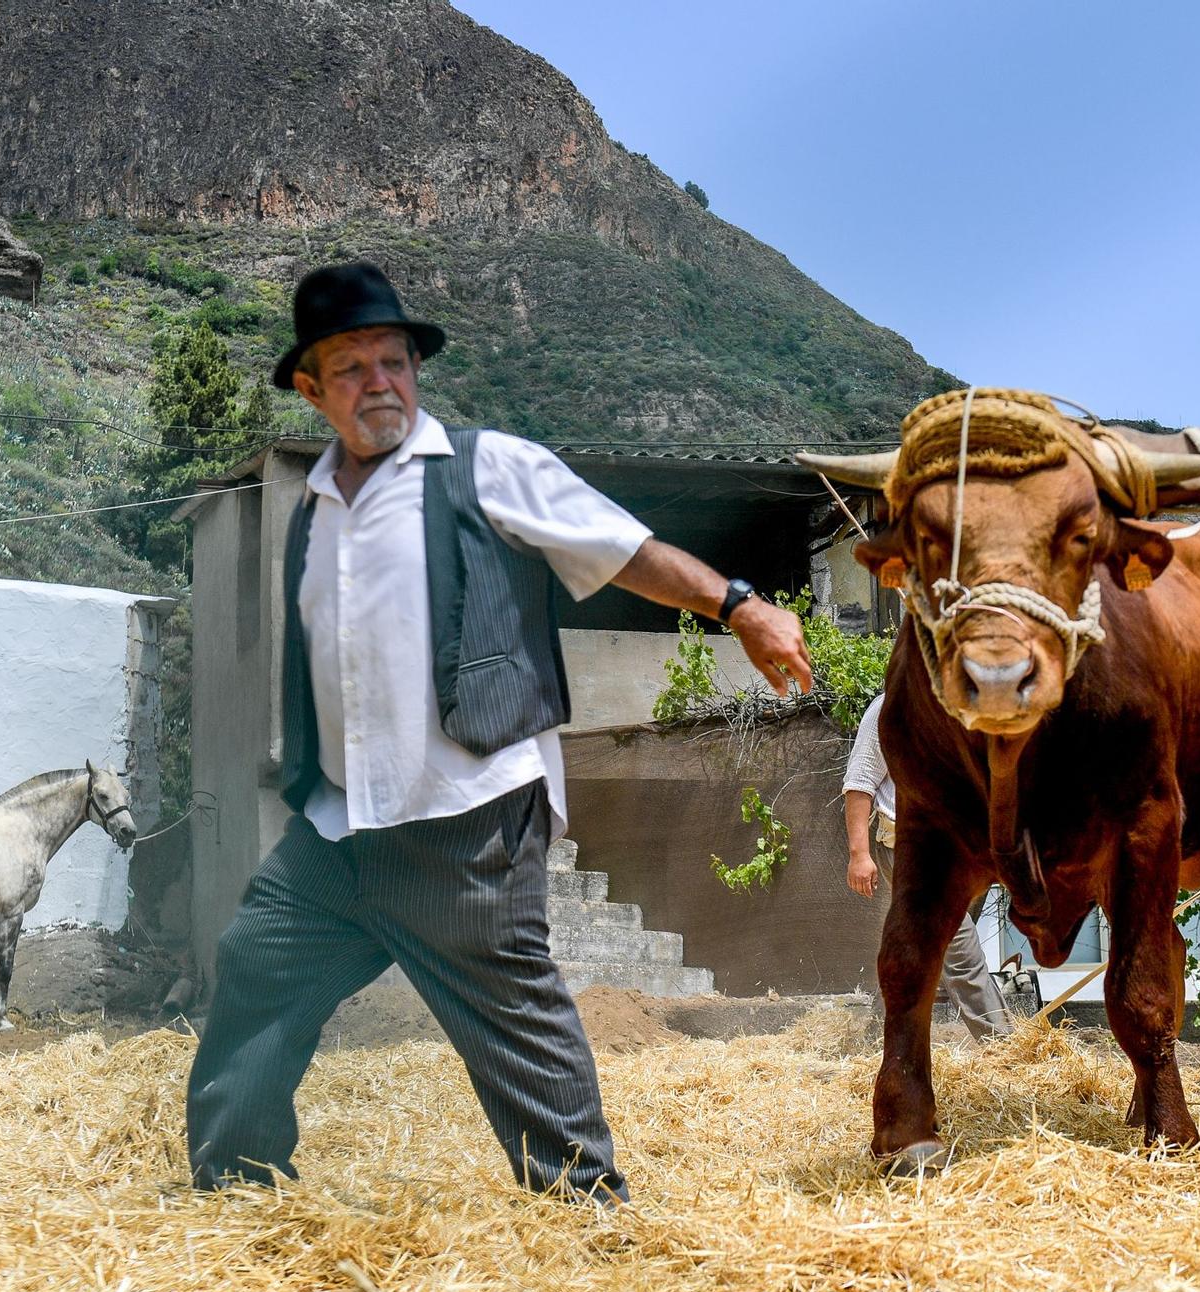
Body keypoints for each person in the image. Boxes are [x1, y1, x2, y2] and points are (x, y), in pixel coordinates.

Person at [184, 262, 813, 1202]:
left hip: (466, 818)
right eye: (350, 368)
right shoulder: (311, 515)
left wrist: (737, 603)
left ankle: (587, 1217)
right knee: (253, 971)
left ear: (416, 370)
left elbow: (625, 551)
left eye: (392, 361)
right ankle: (234, 1187)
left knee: (516, 1028)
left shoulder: (487, 468)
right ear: (311, 391)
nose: (379, 383)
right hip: (337, 833)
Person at [842, 694, 1012, 1040]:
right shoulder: (890, 708)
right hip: (907, 848)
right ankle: (1002, 1044)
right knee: (960, 948)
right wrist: (859, 854)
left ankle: (883, 1032)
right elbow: (859, 783)